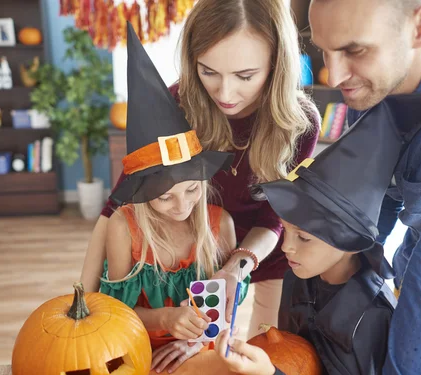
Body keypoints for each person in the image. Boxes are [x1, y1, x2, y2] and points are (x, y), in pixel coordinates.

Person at [82, 0, 321, 336]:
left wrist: (237, 266)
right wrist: (84, 299)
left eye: (245, 75)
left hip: (262, 248)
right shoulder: (177, 104)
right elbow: (116, 205)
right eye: (208, 71)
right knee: (199, 342)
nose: (225, 93)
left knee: (267, 345)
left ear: (276, 63)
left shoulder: (301, 123)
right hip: (198, 248)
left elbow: (274, 216)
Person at [215, 93, 421, 375]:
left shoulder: (368, 319)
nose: (286, 248)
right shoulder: (297, 277)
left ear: (349, 242)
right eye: (285, 231)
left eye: (304, 237)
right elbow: (295, 359)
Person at [309, 0, 421, 375]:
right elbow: (378, 207)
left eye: (354, 50)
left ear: (420, 26)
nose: (335, 75)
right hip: (416, 292)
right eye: (325, 51)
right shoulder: (376, 91)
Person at [99, 23, 249, 374]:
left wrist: (198, 339)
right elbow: (116, 314)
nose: (182, 207)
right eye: (165, 198)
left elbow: (226, 310)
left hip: (203, 354)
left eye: (192, 190)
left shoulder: (219, 224)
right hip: (140, 353)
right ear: (142, 193)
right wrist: (166, 317)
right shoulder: (125, 228)